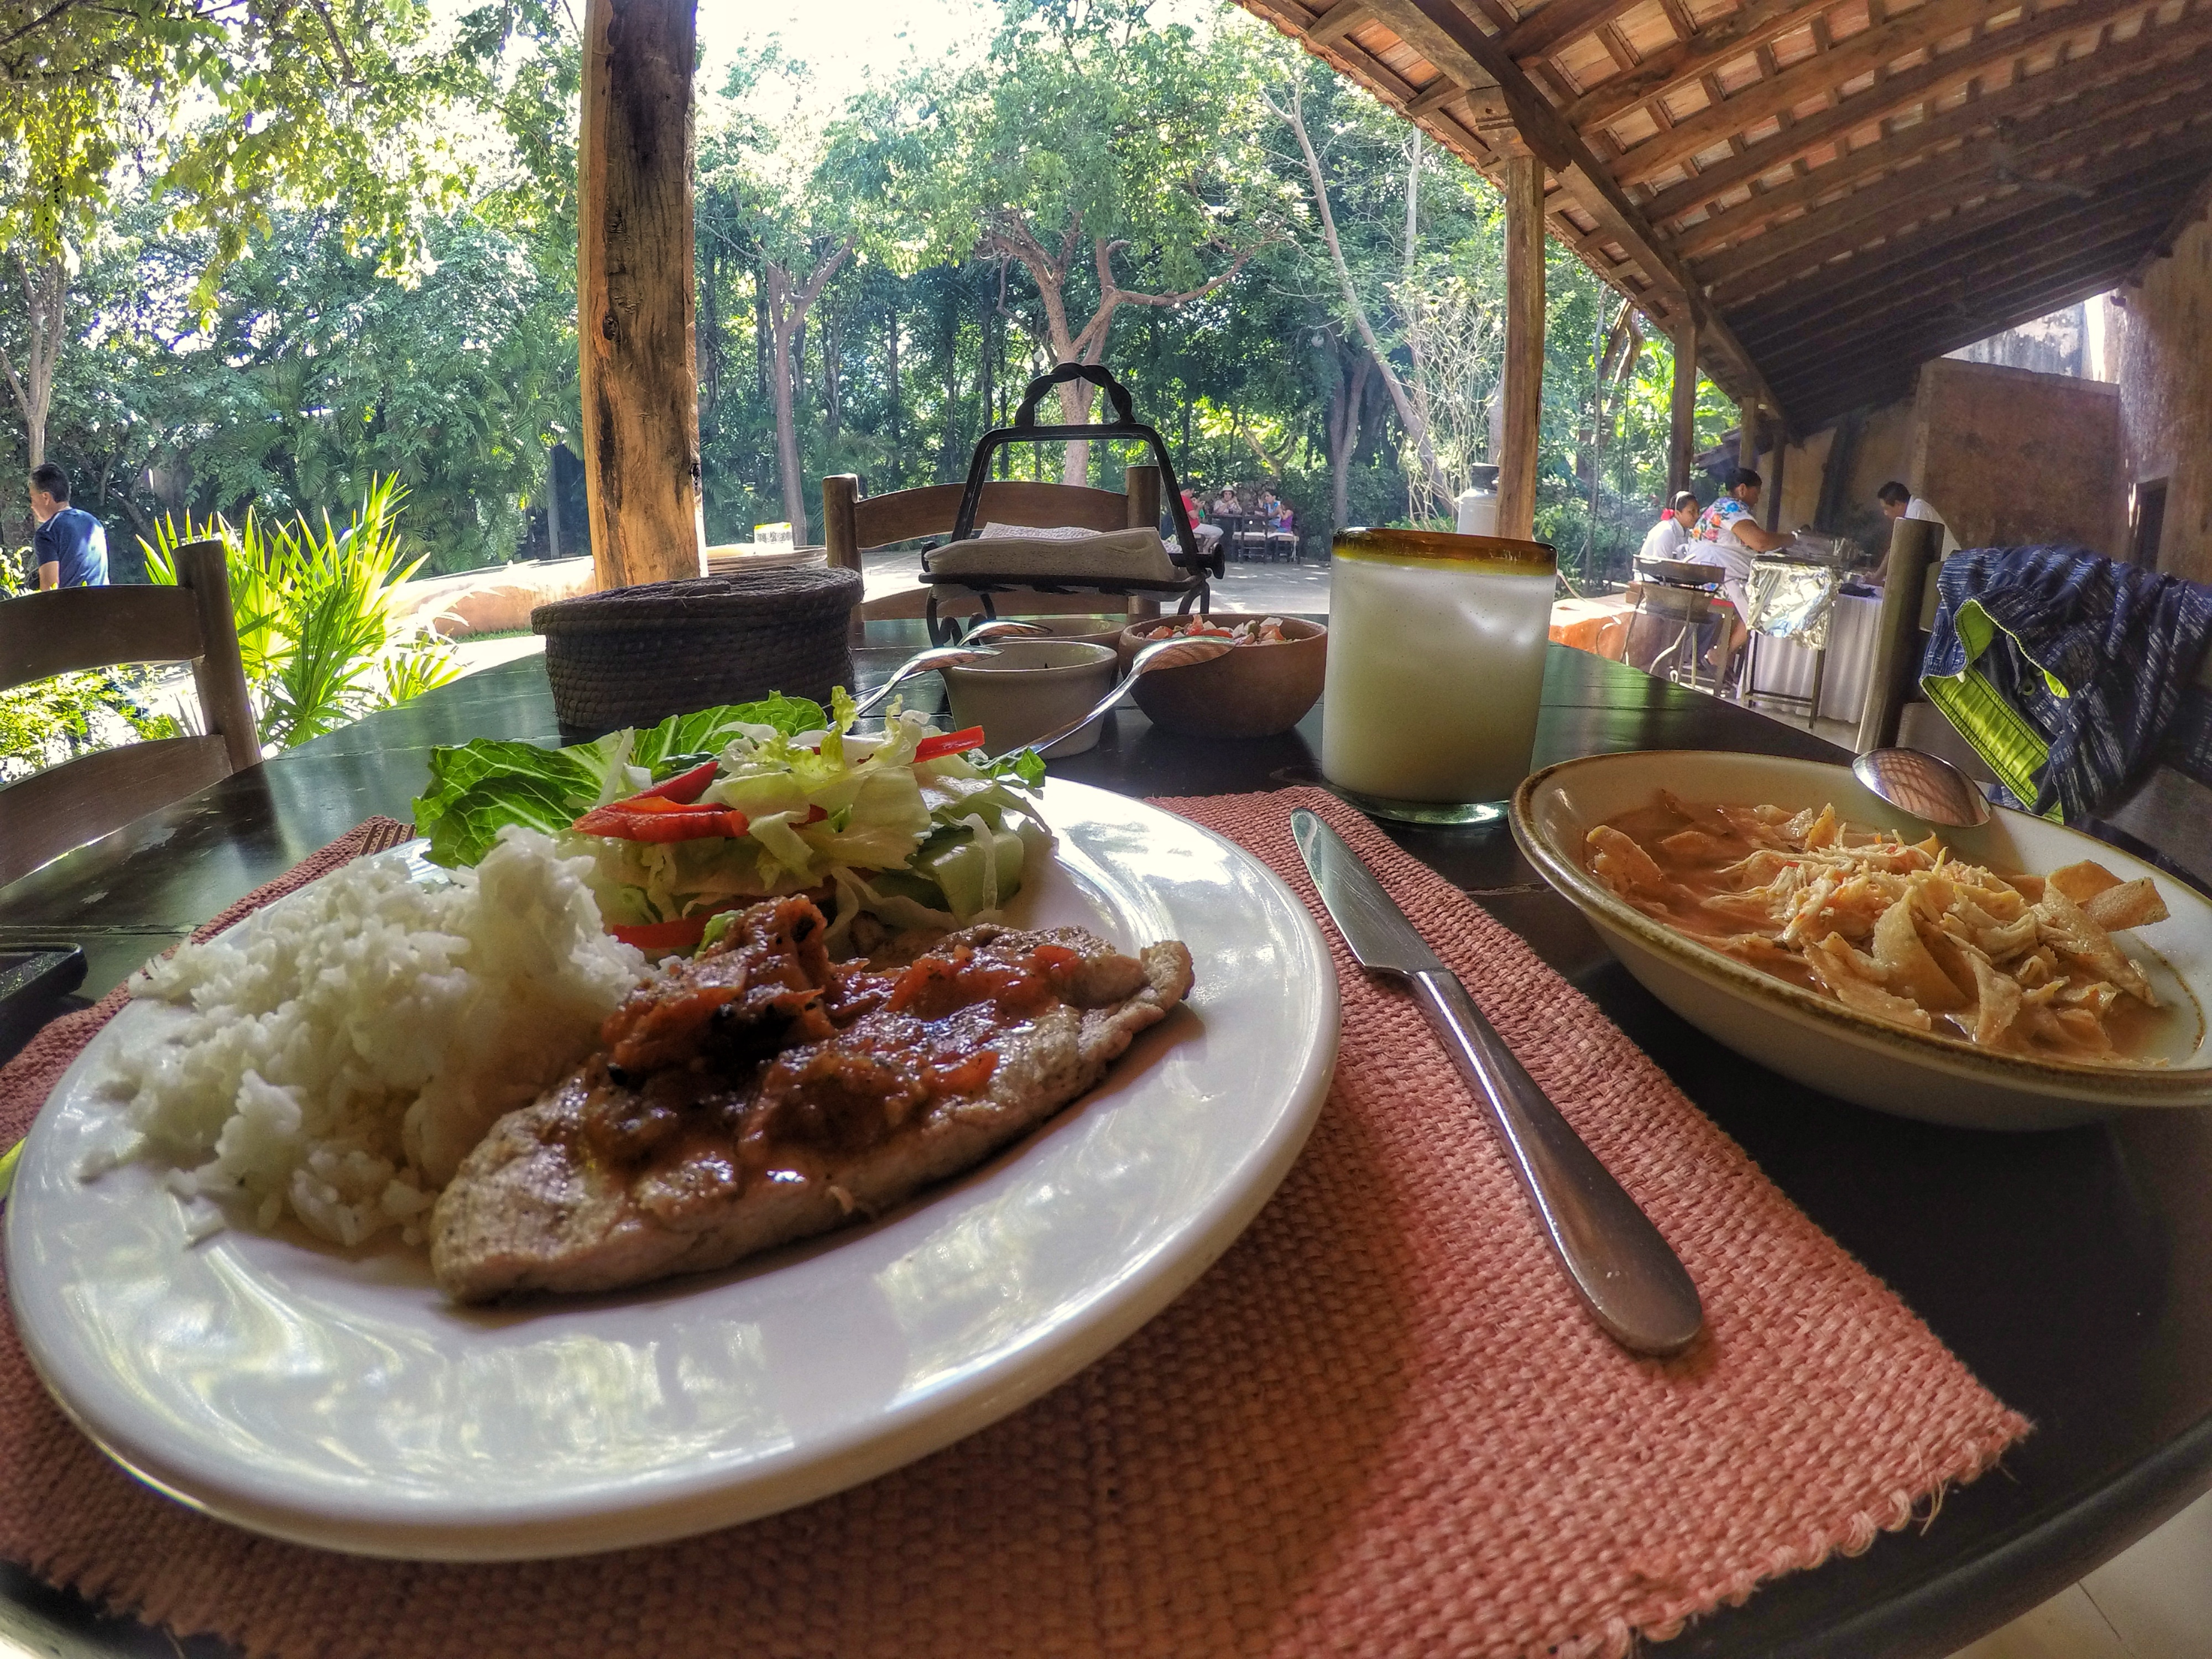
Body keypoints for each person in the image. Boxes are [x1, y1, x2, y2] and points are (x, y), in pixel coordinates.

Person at [1683, 467, 1787, 667]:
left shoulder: (1726, 507)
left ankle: (1724, 654)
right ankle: (1724, 654)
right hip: (1711, 579)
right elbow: (1761, 542)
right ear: (1742, 489)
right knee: (1763, 608)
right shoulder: (1729, 508)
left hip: (1712, 574)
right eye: (1756, 492)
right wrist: (1791, 539)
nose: (1757, 499)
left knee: (1764, 602)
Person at [28, 464, 108, 590]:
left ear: (46, 497)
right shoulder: (94, 523)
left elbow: (50, 591)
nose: (32, 505)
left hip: (72, 607)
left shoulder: (48, 532)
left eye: (32, 498)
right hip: (105, 604)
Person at [1872, 480, 1961, 583]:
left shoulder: (1917, 510)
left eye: (1886, 509)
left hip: (1950, 571)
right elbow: (1896, 548)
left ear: (1898, 504)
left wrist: (1879, 579)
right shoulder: (1912, 512)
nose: (1885, 513)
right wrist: (1878, 577)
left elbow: (1904, 551)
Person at [1637, 492, 1699, 565]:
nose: (1697, 516)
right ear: (1677, 513)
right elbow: (1661, 567)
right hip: (1650, 576)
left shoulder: (1688, 533)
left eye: (1698, 511)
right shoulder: (1666, 532)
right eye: (1692, 512)